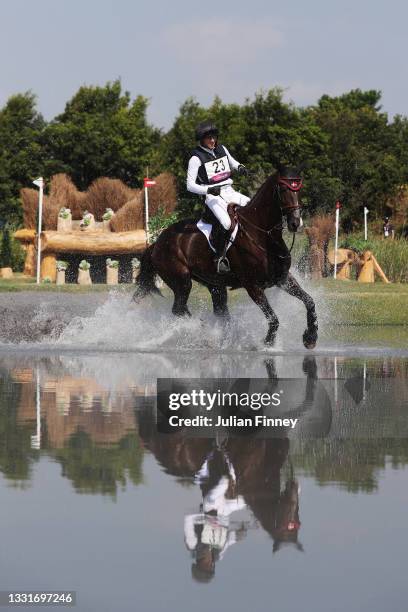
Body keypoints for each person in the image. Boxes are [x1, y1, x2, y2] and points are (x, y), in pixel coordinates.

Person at [187, 120, 250, 273]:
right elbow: (189, 185)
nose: (213, 140)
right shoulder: (196, 158)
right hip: (213, 197)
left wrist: (240, 167)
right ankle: (220, 257)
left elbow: (232, 162)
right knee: (227, 223)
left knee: (251, 208)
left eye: (214, 137)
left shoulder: (221, 149)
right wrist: (208, 190)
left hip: (230, 191)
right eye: (209, 138)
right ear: (202, 139)